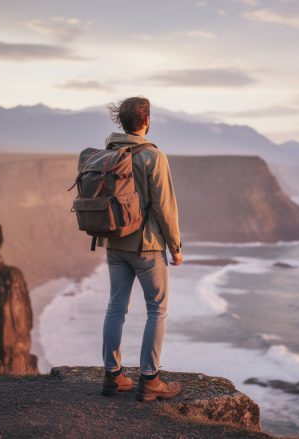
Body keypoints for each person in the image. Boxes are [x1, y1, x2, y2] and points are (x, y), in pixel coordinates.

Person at [97, 96, 184, 402]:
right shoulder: (153, 156)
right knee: (157, 308)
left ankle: (113, 375)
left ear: (122, 122)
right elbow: (165, 207)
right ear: (146, 121)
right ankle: (150, 380)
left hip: (113, 242)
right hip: (146, 246)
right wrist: (175, 246)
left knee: (115, 307)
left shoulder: (108, 151)